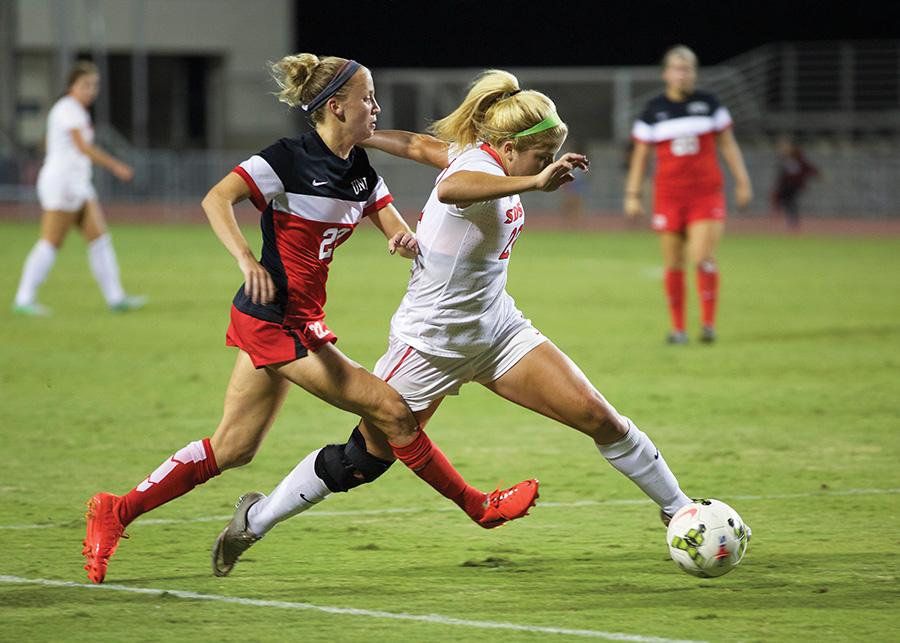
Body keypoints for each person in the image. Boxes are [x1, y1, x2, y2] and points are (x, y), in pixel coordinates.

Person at [210, 69, 692, 578]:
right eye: (540, 155)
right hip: (429, 344)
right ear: (506, 148)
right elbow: (453, 190)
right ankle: (255, 519)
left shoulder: (479, 157)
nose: (547, 165)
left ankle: (678, 507)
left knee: (601, 419)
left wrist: (368, 135)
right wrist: (534, 180)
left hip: (497, 333)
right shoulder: (471, 171)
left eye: (550, 157)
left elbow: (420, 145)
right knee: (366, 458)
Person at [81, 55, 538, 585]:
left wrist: (399, 235)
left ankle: (117, 510)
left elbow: (387, 216)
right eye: (367, 98)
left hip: (298, 321)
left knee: (233, 448)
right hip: (273, 321)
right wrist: (246, 260)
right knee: (391, 411)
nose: (375, 106)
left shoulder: (360, 170)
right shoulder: (287, 159)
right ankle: (477, 506)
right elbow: (216, 199)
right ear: (336, 106)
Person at [624, 45, 753, 344]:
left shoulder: (709, 104)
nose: (683, 75)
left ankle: (708, 325)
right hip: (668, 196)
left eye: (688, 69)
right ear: (666, 74)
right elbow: (640, 156)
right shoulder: (653, 110)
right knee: (673, 263)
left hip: (706, 194)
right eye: (677, 69)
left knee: (702, 256)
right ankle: (678, 329)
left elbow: (729, 145)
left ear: (694, 73)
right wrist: (632, 194)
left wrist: (743, 181)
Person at [12, 60, 145, 316]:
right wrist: (116, 166)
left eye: (95, 85)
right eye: (85, 84)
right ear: (71, 86)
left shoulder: (74, 111)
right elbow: (83, 147)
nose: (91, 90)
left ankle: (116, 298)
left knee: (100, 240)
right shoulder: (69, 109)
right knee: (50, 242)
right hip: (62, 183)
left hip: (78, 183)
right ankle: (24, 298)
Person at [771, 134, 819, 231]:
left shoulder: (797, 155)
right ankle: (790, 220)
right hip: (786, 185)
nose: (782, 147)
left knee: (791, 202)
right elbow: (783, 173)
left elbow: (806, 166)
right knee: (786, 201)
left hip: (794, 185)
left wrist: (817, 174)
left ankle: (793, 221)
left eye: (784, 144)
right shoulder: (783, 157)